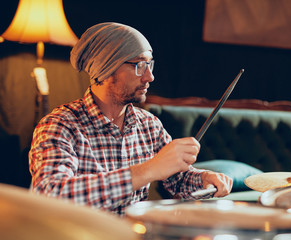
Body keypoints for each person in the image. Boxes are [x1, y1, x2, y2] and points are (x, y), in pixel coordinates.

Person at [29, 22, 233, 216]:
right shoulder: (60, 125)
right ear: (106, 69)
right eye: (139, 65)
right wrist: (147, 170)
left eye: (149, 64)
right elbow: (50, 195)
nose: (149, 76)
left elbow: (178, 179)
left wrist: (204, 179)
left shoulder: (148, 124)